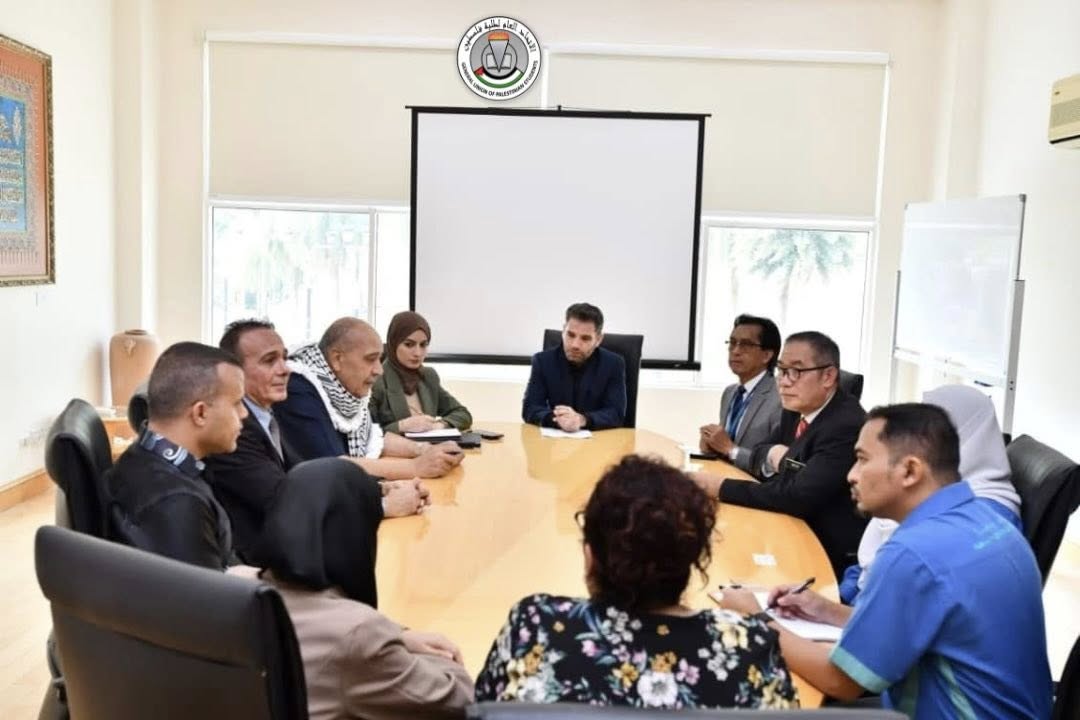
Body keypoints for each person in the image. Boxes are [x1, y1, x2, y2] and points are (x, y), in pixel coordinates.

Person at [718, 404, 1052, 719]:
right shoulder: (987, 518)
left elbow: (842, 680)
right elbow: (925, 621)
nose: (851, 475)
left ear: (910, 470)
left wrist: (757, 620)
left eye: (862, 460)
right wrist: (826, 610)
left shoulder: (913, 552)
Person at [475, 454, 798, 710]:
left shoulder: (535, 624)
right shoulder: (747, 644)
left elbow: (483, 709)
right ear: (693, 558)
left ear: (590, 555)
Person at [230, 459, 475, 720]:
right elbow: (458, 699)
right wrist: (439, 659)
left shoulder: (234, 585)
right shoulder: (357, 632)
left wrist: (398, 637)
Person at [205, 319, 427, 560]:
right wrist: (382, 506)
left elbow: (304, 478)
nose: (285, 369)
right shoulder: (234, 430)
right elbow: (285, 502)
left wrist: (378, 490)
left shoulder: (268, 416)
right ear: (234, 373)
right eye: (269, 361)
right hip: (261, 564)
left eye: (284, 358)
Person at [691, 331, 867, 578]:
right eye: (781, 370)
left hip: (824, 550)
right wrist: (780, 457)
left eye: (795, 371)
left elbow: (797, 496)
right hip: (790, 524)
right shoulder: (797, 406)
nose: (784, 382)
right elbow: (760, 451)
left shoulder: (844, 425)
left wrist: (719, 487)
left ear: (828, 376)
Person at [839, 383, 1023, 603]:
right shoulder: (932, 493)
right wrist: (837, 598)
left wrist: (839, 607)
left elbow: (903, 605)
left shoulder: (983, 518)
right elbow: (866, 572)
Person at [105, 342, 245, 569]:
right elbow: (206, 591)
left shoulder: (140, 459)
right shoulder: (178, 503)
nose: (244, 413)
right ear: (200, 413)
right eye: (237, 403)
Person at [274, 317, 464, 480]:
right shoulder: (297, 387)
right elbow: (333, 465)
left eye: (379, 360)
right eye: (370, 359)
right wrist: (415, 467)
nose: (379, 370)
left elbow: (373, 438)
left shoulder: (345, 385)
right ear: (337, 359)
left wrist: (423, 449)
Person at [522, 302, 627, 431]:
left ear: (598, 339)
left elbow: (616, 413)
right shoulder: (542, 361)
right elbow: (530, 408)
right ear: (563, 331)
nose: (575, 345)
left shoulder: (613, 364)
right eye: (570, 335)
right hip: (554, 439)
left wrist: (582, 420)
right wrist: (558, 420)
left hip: (598, 438)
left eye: (585, 338)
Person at [699, 314, 783, 474]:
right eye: (732, 343)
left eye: (745, 345)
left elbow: (775, 465)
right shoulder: (730, 392)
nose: (735, 351)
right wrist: (712, 445)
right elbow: (727, 445)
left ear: (767, 355)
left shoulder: (780, 397)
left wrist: (731, 449)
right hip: (724, 477)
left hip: (755, 485)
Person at [369, 311, 472, 434]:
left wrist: (440, 425)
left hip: (431, 446)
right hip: (395, 447)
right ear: (394, 343)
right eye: (409, 344)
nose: (417, 353)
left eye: (423, 345)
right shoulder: (376, 380)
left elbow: (463, 414)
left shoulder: (428, 376)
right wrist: (401, 426)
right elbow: (362, 433)